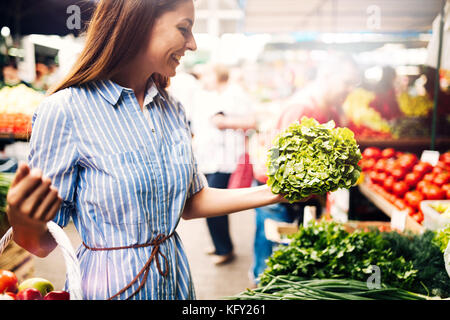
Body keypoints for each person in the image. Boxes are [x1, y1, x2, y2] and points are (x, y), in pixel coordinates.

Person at [5, 0, 305, 301]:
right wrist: (24, 222)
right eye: (183, 28)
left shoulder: (171, 108)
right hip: (110, 290)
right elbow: (42, 243)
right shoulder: (65, 111)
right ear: (138, 23)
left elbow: (191, 200)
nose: (193, 44)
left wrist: (276, 192)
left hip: (175, 283)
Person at [250, 54, 361, 284]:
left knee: (283, 256)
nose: (350, 89)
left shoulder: (328, 108)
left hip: (297, 197)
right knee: (270, 262)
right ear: (327, 76)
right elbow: (283, 167)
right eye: (347, 82)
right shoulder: (300, 108)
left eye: (354, 84)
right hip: (275, 196)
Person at [193, 63, 256, 265]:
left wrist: (224, 122)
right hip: (210, 159)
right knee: (210, 202)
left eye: (207, 75)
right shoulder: (210, 95)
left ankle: (225, 249)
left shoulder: (235, 94)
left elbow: (252, 121)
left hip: (227, 160)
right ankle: (219, 244)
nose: (203, 80)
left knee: (213, 205)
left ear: (217, 75)